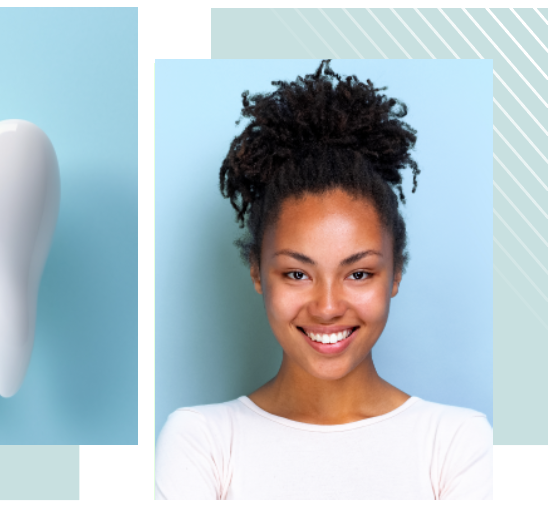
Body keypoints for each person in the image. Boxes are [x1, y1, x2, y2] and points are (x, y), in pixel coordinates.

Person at [154, 60, 492, 500]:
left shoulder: (456, 443)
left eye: (358, 273)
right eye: (297, 273)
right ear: (257, 272)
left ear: (396, 275)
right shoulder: (203, 442)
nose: (328, 306)